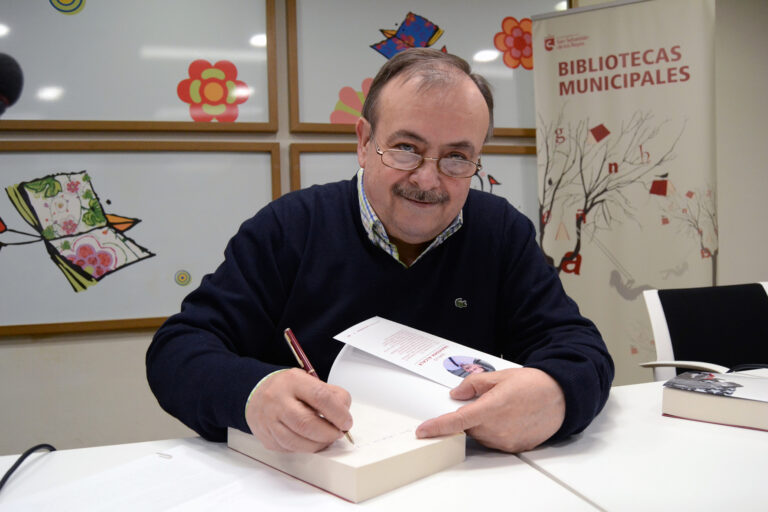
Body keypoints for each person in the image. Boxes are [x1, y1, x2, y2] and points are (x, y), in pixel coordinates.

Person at [146, 48, 614, 454]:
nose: (428, 179)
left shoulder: (500, 231)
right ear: (365, 143)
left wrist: (556, 394)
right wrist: (252, 394)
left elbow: (581, 349)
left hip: (466, 482)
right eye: (407, 148)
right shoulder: (290, 228)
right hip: (315, 486)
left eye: (456, 157)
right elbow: (177, 351)